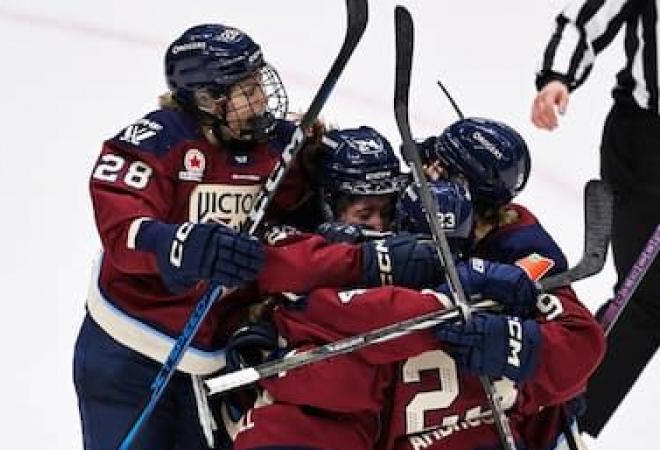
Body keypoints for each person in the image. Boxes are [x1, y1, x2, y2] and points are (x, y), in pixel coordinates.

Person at [222, 126, 548, 450]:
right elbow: (347, 304)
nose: (379, 224)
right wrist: (376, 261)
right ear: (329, 200)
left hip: (363, 427)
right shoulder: (296, 241)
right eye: (365, 213)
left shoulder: (407, 243)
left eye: (387, 210)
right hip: (290, 418)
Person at [73, 23, 309, 450]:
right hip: (131, 345)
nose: (260, 98)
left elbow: (306, 206)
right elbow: (123, 231)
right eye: (245, 90)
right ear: (206, 100)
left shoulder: (278, 148)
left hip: (218, 350)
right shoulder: (154, 143)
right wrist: (185, 247)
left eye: (258, 83)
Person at [375, 117, 605, 449]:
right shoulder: (418, 204)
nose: (425, 170)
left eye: (439, 166)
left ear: (464, 189)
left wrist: (511, 345)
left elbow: (581, 344)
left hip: (507, 422)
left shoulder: (521, 248)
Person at [530, 0, 660, 437]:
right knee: (646, 297)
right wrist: (557, 78)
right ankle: (565, 424)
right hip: (645, 146)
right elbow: (584, 20)